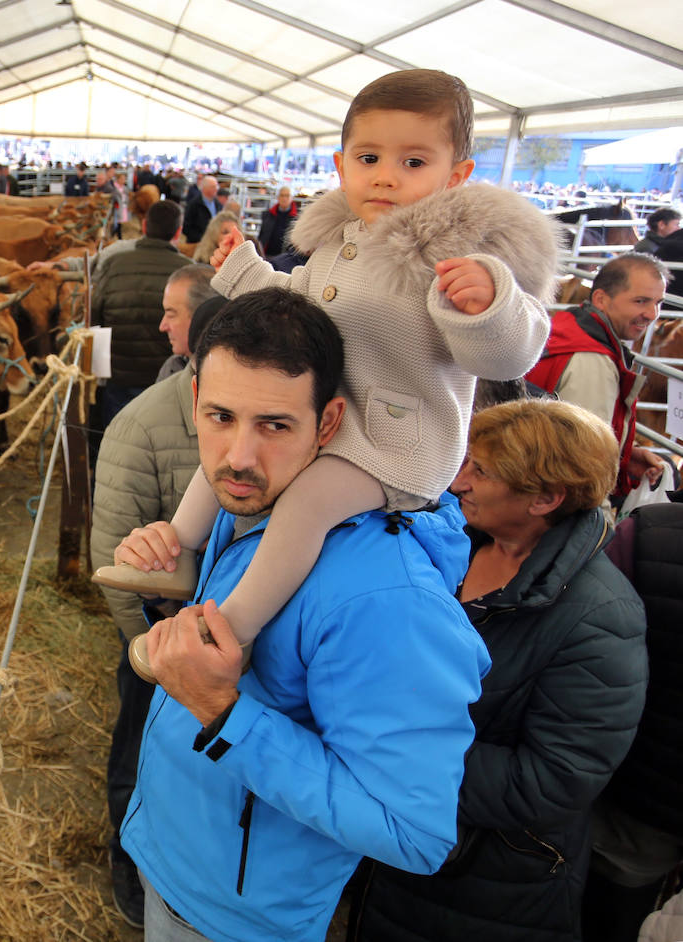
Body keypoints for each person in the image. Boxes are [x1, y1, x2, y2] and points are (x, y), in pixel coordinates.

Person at [96, 69, 555, 670]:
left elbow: (510, 356)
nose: (385, 175)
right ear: (341, 166)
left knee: (306, 503)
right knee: (235, 449)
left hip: (394, 443)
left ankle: (230, 629)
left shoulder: (457, 258)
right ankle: (178, 550)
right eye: (369, 157)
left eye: (414, 162)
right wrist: (247, 273)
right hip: (323, 420)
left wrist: (491, 305)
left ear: (456, 175)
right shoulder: (342, 243)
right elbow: (302, 305)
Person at [117, 286, 490, 942]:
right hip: (171, 857)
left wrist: (222, 713)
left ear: (329, 422)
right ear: (195, 398)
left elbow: (412, 831)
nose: (238, 456)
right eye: (221, 416)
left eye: (275, 425)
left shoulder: (387, 600)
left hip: (237, 920)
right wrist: (166, 598)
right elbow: (231, 658)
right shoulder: (248, 507)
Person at [352, 398, 647, 942]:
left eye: (482, 472)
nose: (458, 481)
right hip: (399, 847)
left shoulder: (600, 618)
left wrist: (384, 746)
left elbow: (551, 781)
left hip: (486, 883)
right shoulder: (453, 542)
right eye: (466, 461)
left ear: (545, 498)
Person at [91, 263, 217, 928]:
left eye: (173, 313)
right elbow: (112, 558)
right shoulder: (140, 426)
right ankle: (127, 857)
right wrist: (146, 650)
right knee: (137, 751)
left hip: (227, 646)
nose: (161, 324)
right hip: (160, 643)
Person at [581, 499, 683, 942]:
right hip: (642, 792)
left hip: (636, 791)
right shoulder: (648, 534)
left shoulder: (648, 533)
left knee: (609, 907)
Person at [525, 253, 668, 500]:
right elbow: (584, 464)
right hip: (551, 500)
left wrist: (625, 454)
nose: (652, 313)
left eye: (658, 302)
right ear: (601, 299)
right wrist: (602, 519)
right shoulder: (592, 361)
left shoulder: (571, 324)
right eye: (640, 301)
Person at [89, 199, 193, 427]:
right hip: (167, 379)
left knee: (115, 432)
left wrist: (97, 370)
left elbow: (94, 314)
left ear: (144, 226)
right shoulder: (188, 272)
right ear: (178, 232)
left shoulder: (113, 264)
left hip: (118, 374)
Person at [181, 174, 224, 243]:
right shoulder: (194, 204)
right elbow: (186, 228)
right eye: (213, 187)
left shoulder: (218, 204)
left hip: (214, 243)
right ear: (205, 188)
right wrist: (202, 239)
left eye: (217, 186)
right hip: (197, 244)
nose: (216, 189)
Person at [257, 186, 298, 258]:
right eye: (282, 195)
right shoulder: (268, 215)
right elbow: (261, 235)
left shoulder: (297, 218)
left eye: (287, 196)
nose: (284, 198)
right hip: (267, 255)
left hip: (286, 257)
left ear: (292, 198)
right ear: (278, 197)